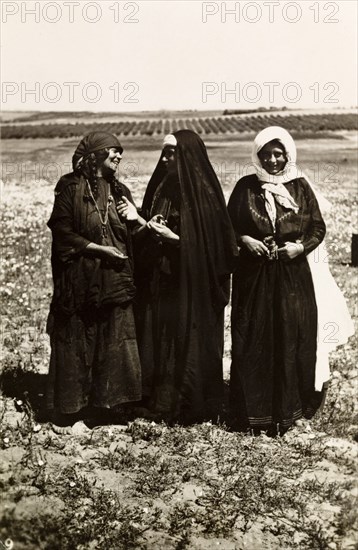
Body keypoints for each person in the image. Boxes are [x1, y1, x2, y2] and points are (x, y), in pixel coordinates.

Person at [228, 126, 329, 434]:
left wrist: (300, 247)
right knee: (253, 337)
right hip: (254, 277)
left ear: (288, 155)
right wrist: (245, 239)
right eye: (266, 154)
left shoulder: (300, 187)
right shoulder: (245, 186)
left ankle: (290, 411)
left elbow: (317, 228)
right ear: (257, 156)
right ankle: (252, 414)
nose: (272, 161)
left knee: (292, 337)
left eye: (278, 154)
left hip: (292, 276)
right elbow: (226, 227)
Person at [134, 130, 238, 425]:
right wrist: (146, 223)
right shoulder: (162, 188)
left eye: (172, 153)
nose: (165, 159)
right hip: (163, 280)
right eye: (164, 153)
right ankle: (158, 398)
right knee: (162, 339)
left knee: (186, 340)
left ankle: (188, 402)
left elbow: (218, 250)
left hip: (192, 287)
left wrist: (175, 239)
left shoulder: (204, 195)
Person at [46, 131, 142, 425]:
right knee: (76, 337)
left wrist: (135, 218)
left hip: (114, 280)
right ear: (95, 156)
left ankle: (108, 407)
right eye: (113, 151)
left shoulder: (121, 191)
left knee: (112, 337)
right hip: (79, 279)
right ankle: (72, 409)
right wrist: (101, 250)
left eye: (120, 152)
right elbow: (63, 233)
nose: (119, 156)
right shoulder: (70, 187)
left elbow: (132, 238)